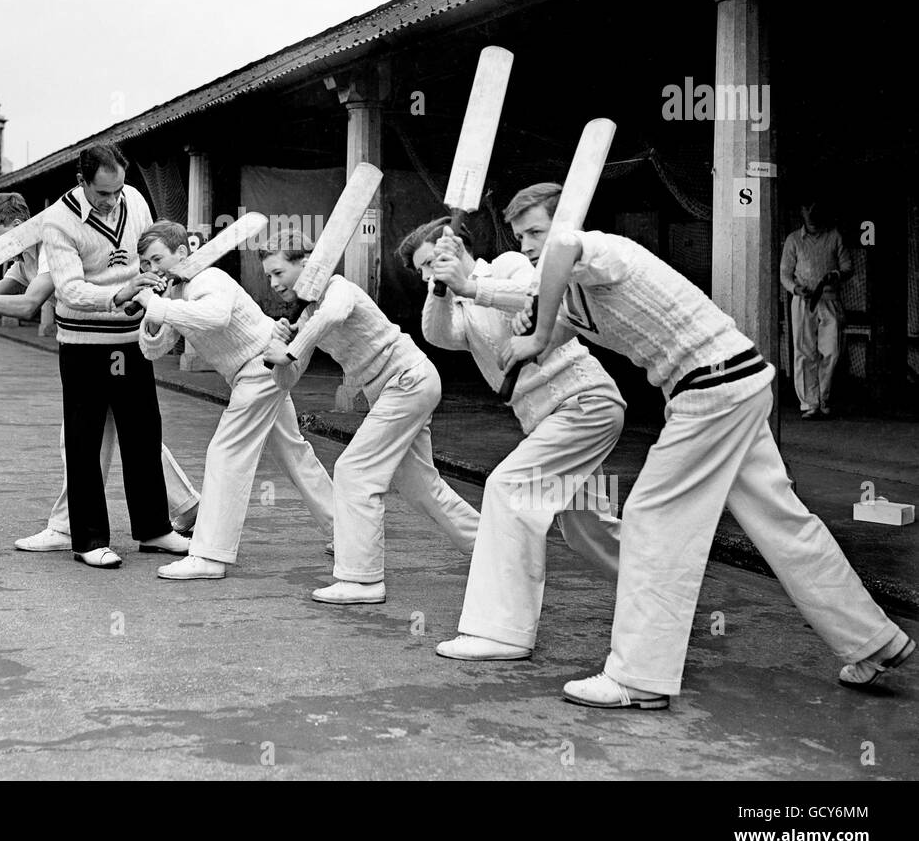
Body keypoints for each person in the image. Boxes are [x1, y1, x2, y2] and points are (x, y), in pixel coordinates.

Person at [500, 182, 912, 709]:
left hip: (712, 388)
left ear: (566, 223)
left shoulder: (602, 249)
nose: (530, 245)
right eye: (520, 236)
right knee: (783, 523)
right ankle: (874, 640)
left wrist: (534, 332)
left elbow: (562, 252)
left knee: (651, 516)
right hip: (737, 382)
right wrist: (529, 331)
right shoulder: (574, 289)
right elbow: (555, 324)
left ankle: (640, 677)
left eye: (536, 231)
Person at [396, 212, 622, 661]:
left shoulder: (507, 266)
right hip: (552, 419)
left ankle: (502, 632)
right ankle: (667, 590)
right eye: (422, 269)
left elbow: (539, 300)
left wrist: (470, 283)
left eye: (430, 262)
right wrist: (444, 289)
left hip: (583, 400)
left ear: (459, 248)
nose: (426, 274)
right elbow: (437, 335)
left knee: (507, 488)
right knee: (586, 529)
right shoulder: (458, 306)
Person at [0, 191, 201, 548]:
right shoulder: (22, 259)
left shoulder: (50, 247)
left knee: (115, 436)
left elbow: (28, 305)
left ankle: (72, 527)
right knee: (117, 435)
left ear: (18, 227)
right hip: (86, 345)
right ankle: (183, 508)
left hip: (112, 335)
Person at [260, 231, 479, 605]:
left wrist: (292, 347)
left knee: (354, 471)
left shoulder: (338, 289)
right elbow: (287, 379)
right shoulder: (307, 315)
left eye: (279, 272)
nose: (274, 283)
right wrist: (276, 351)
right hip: (392, 390)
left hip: (407, 378)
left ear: (306, 263)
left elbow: (333, 315)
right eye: (268, 276)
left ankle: (361, 579)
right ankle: (495, 549)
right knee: (419, 485)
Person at [131, 220, 334, 580]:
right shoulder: (177, 294)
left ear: (182, 253)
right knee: (293, 453)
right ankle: (346, 530)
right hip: (249, 370)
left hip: (262, 364)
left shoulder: (209, 279)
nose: (151, 269)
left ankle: (210, 555)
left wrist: (159, 308)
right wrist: (152, 312)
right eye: (145, 264)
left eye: (156, 259)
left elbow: (215, 317)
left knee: (225, 453)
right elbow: (154, 349)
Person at [40, 143, 189, 568]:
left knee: (143, 435)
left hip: (130, 342)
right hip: (84, 346)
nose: (112, 200)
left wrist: (156, 280)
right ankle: (88, 541)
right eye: (103, 193)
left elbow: (148, 254)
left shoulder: (134, 200)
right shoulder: (58, 221)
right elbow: (68, 290)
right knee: (84, 444)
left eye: (117, 190)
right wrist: (119, 293)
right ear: (82, 181)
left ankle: (155, 529)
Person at [780, 200, 854, 419]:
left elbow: (848, 267)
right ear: (800, 211)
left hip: (829, 299)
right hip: (803, 301)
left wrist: (837, 275)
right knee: (804, 351)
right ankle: (809, 404)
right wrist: (795, 288)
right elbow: (785, 273)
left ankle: (823, 398)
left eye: (814, 207)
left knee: (831, 351)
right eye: (806, 208)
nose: (811, 213)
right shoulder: (794, 239)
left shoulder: (834, 236)